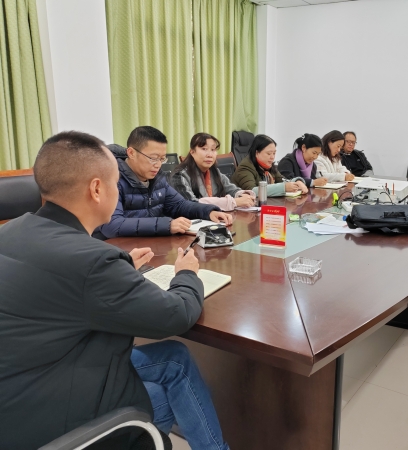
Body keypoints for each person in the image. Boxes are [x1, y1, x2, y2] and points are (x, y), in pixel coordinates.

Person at [0, 131, 229, 449]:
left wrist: (120, 270)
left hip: (24, 384)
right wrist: (187, 274)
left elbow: (59, 288)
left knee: (174, 358)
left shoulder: (11, 230)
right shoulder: (92, 261)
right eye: (114, 183)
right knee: (159, 396)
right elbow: (176, 315)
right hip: (51, 414)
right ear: (97, 189)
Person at [93, 126, 232, 240]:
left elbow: (179, 205)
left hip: (151, 245)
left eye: (162, 159)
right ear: (131, 153)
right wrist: (166, 225)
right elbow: (112, 225)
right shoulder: (110, 179)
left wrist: (208, 212)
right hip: (117, 249)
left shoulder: (158, 178)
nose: (158, 165)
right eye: (153, 158)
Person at [171, 132, 255, 210]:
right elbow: (190, 204)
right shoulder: (180, 175)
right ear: (192, 152)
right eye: (204, 149)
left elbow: (230, 189)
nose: (210, 155)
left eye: (213, 149)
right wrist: (233, 202)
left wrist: (243, 195)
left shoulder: (214, 171)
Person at [230, 134, 308, 196]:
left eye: (274, 153)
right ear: (257, 153)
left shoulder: (268, 165)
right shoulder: (245, 167)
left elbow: (282, 180)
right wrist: (283, 187)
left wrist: (297, 181)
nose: (272, 157)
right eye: (269, 153)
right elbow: (252, 191)